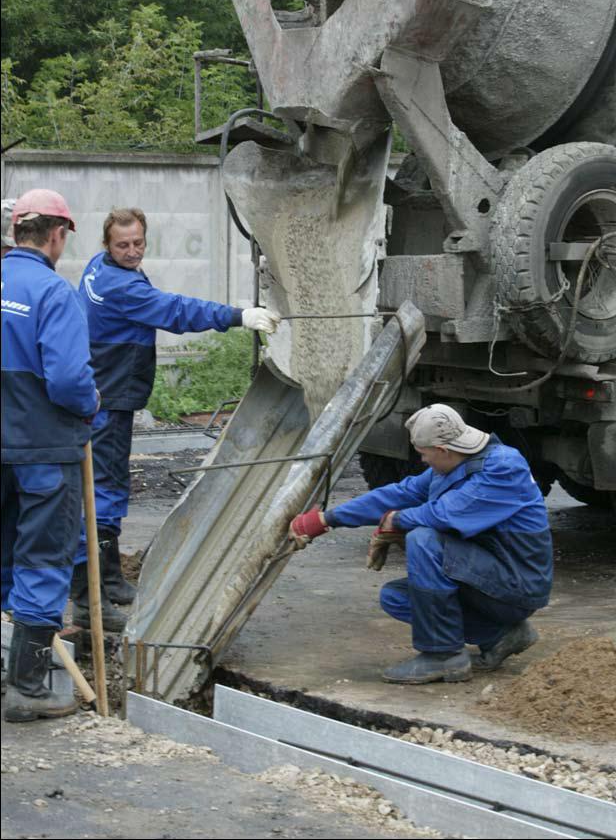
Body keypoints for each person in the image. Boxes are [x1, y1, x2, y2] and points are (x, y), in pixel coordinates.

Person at [74, 206, 280, 626]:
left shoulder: (98, 267)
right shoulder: (120, 285)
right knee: (105, 491)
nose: (132, 251)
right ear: (106, 244)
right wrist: (238, 316)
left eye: (138, 243)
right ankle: (87, 596)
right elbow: (175, 311)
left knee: (107, 485)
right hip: (110, 396)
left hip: (106, 388)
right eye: (123, 245)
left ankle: (108, 579)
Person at [289, 403, 552, 685]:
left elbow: (442, 514)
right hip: (489, 579)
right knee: (398, 597)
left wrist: (396, 520)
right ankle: (501, 636)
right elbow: (400, 493)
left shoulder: (502, 469)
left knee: (424, 539)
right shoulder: (453, 465)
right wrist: (327, 519)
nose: (423, 461)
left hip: (517, 585)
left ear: (442, 450)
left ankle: (443, 656)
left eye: (424, 454)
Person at [1, 188, 99, 721]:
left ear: (17, 230)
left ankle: (7, 672)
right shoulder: (53, 293)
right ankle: (28, 690)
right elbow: (67, 379)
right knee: (41, 561)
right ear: (57, 235)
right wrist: (92, 404)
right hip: (42, 449)